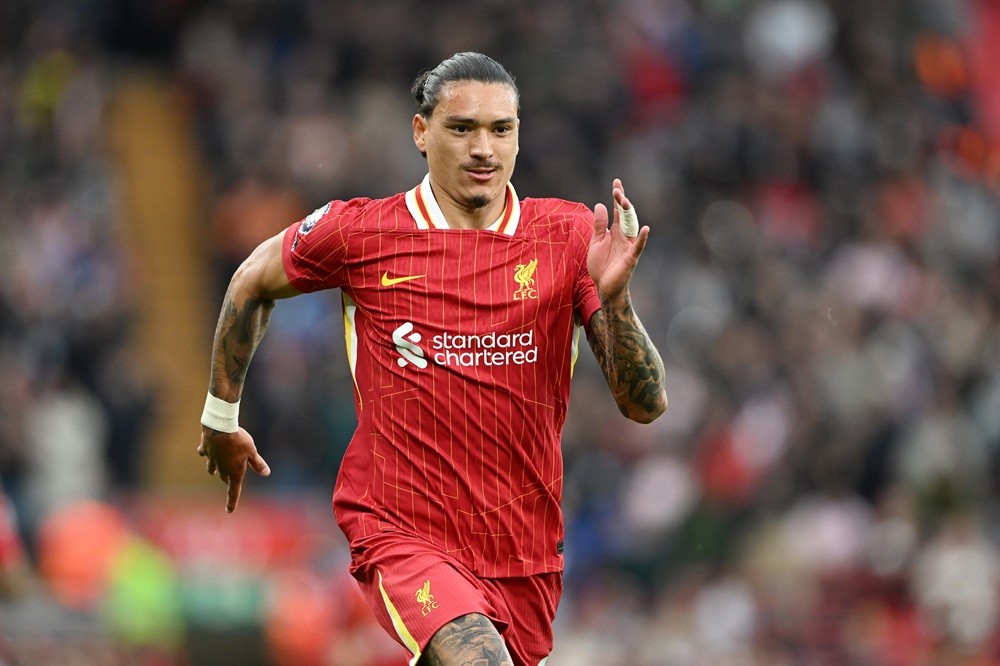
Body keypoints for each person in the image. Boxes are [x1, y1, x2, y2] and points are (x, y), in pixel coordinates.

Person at [197, 51, 667, 666]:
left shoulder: (569, 237)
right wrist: (220, 416)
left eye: (501, 130)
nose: (484, 149)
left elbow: (645, 404)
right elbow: (252, 278)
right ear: (421, 133)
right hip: (401, 530)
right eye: (462, 128)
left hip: (521, 549)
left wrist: (616, 300)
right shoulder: (363, 233)